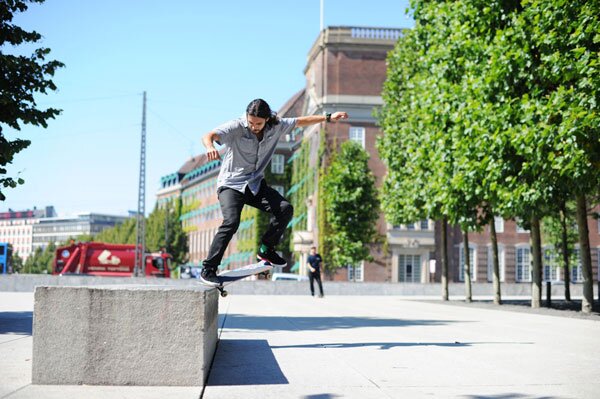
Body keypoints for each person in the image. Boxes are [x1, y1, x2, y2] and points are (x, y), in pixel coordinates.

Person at [199, 98, 348, 286]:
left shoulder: (277, 126)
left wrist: (327, 117)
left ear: (267, 119)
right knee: (232, 221)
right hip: (231, 184)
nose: (254, 127)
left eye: (258, 124)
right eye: (251, 122)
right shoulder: (237, 126)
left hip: (254, 184)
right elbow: (209, 135)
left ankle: (266, 249)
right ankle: (209, 269)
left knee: (285, 209)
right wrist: (210, 146)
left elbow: (301, 121)